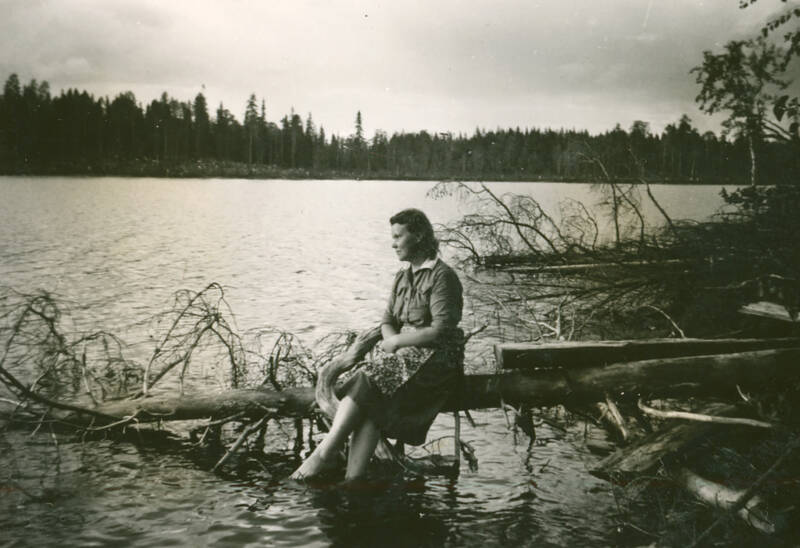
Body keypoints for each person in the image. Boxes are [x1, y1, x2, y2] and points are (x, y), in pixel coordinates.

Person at [291, 208, 464, 480]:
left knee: (370, 379)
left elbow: (441, 330)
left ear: (418, 236)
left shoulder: (442, 276)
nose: (393, 243)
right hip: (408, 355)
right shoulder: (402, 277)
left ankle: (325, 453)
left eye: (398, 236)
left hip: (439, 360)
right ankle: (353, 482)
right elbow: (387, 319)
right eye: (392, 237)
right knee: (371, 400)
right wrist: (392, 342)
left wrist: (396, 342)